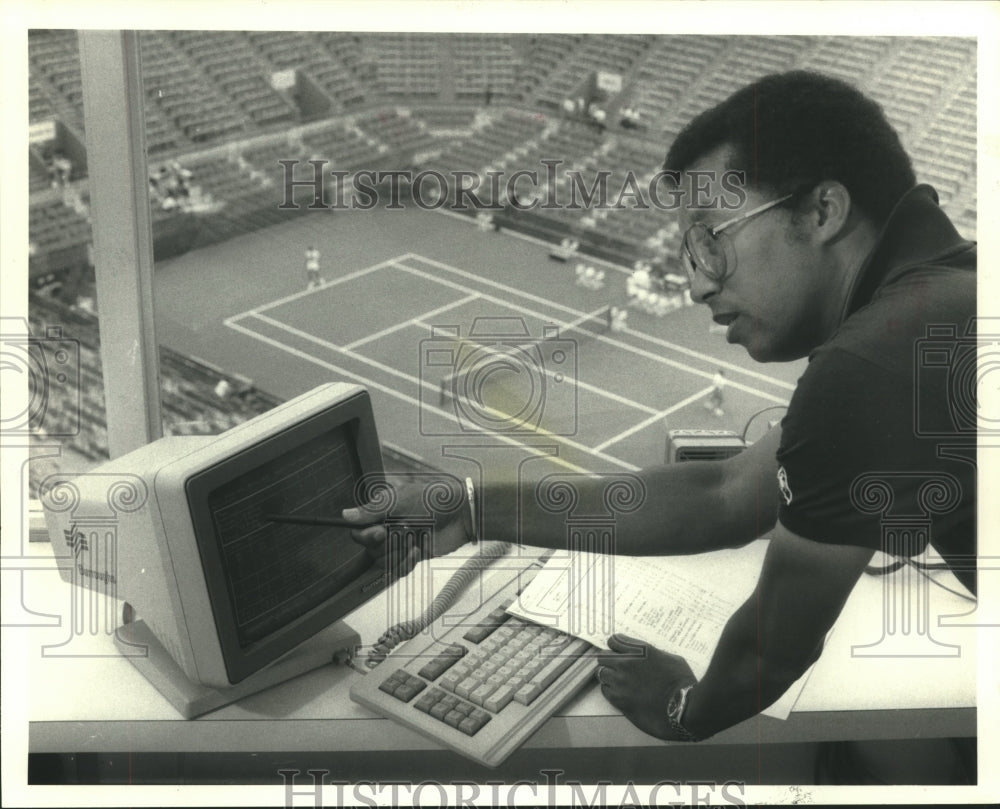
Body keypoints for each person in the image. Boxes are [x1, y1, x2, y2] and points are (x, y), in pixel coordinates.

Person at [343, 71, 976, 775]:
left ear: (823, 211)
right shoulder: (940, 304)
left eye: (712, 240)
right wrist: (468, 507)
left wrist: (685, 708)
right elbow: (725, 495)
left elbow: (777, 643)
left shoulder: (871, 361)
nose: (699, 282)